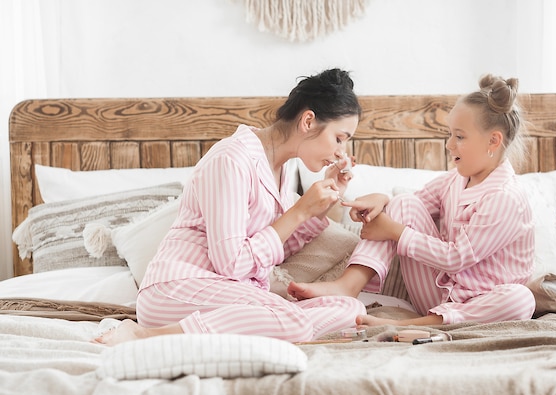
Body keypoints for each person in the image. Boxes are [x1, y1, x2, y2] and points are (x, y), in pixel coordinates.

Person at [94, 68, 366, 345]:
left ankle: (273, 321)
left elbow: (271, 248)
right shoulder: (232, 159)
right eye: (339, 138)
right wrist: (300, 210)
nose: (340, 153)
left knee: (352, 310)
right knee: (295, 323)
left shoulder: (283, 169)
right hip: (179, 288)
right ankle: (143, 334)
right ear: (308, 121)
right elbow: (232, 263)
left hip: (234, 297)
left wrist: (320, 206)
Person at [288, 74, 536, 327]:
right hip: (437, 292)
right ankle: (348, 284)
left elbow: (456, 258)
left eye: (460, 137)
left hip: (481, 305)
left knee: (522, 299)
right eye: (449, 134)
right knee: (404, 202)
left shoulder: (506, 197)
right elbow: (408, 206)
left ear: (493, 141)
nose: (449, 145)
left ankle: (412, 324)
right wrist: (383, 200)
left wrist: (395, 231)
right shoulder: (454, 181)